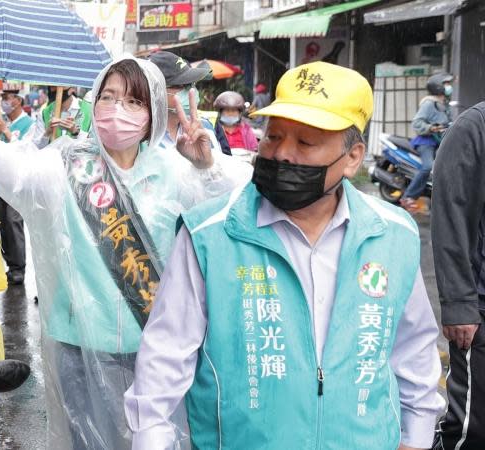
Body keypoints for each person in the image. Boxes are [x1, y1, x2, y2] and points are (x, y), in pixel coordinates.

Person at [125, 61, 445, 450]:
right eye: (273, 136)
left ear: (353, 157)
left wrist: (416, 438)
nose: (282, 154)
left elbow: (413, 348)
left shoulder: (393, 233)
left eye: (306, 143)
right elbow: (164, 358)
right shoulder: (210, 234)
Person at [0, 56, 250, 449]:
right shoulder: (67, 164)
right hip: (79, 345)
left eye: (133, 102)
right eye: (108, 97)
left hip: (155, 347)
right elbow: (16, 174)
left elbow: (239, 200)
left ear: (153, 112)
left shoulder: (175, 170)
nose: (117, 110)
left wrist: (207, 166)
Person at [430, 101, 485, 450]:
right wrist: (459, 303)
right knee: (471, 427)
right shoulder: (475, 126)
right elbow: (451, 214)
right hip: (479, 309)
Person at [147, 51, 233, 158]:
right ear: (155, 90)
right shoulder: (140, 136)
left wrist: (206, 163)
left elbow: (224, 170)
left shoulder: (206, 126)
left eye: (193, 84)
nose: (191, 91)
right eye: (181, 85)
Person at [0, 88, 34, 285]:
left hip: (18, 182)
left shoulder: (28, 123)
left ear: (17, 100)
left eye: (7, 98)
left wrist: (7, 133)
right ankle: (10, 265)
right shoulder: (3, 122)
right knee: (3, 223)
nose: (4, 102)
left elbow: (27, 150)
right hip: (0, 181)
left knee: (13, 221)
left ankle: (19, 268)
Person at [401, 73, 453, 212]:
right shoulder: (429, 103)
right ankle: (408, 197)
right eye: (446, 84)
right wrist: (431, 127)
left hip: (440, 142)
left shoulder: (445, 104)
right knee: (427, 166)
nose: (449, 87)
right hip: (426, 142)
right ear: (438, 87)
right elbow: (417, 123)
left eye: (449, 84)